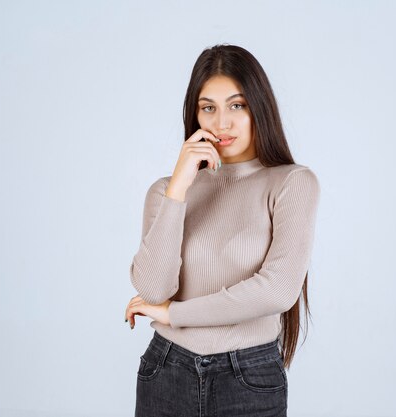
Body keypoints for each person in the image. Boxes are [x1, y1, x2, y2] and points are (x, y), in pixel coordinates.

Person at [125, 44, 320, 417]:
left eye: (237, 105)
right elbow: (153, 289)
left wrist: (175, 315)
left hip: (247, 376)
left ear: (258, 108)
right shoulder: (165, 192)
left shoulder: (291, 183)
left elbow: (277, 291)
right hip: (166, 370)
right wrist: (179, 188)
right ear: (195, 114)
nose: (222, 123)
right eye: (208, 107)